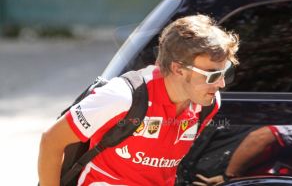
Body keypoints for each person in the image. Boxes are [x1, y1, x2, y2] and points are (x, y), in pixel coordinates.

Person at [38, 14, 240, 186]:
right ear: (178, 69)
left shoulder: (208, 103)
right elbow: (51, 141)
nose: (221, 83)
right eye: (212, 75)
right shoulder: (123, 96)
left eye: (226, 72)